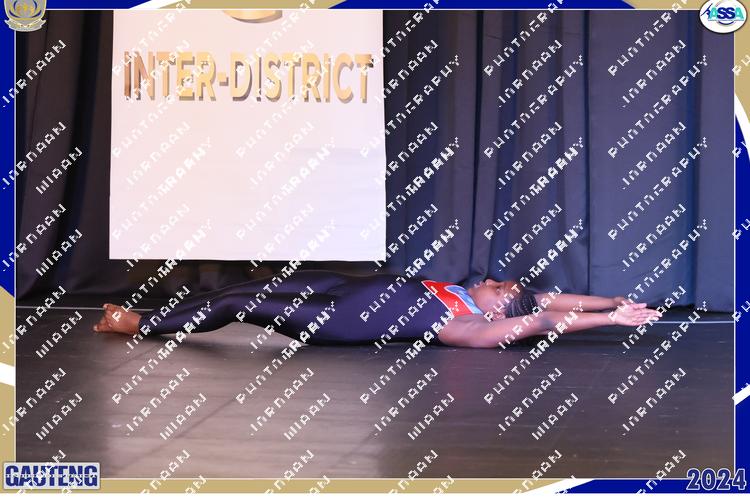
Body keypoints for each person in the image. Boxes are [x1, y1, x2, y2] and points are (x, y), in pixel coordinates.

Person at [92, 269, 662, 348]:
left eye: (500, 288)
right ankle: (150, 314)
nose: (492, 281)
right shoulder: (471, 295)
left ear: (497, 313)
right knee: (251, 285)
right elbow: (549, 298)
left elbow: (542, 316)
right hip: (348, 287)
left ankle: (139, 325)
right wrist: (611, 299)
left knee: (242, 302)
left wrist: (608, 321)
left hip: (340, 319)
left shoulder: (467, 325)